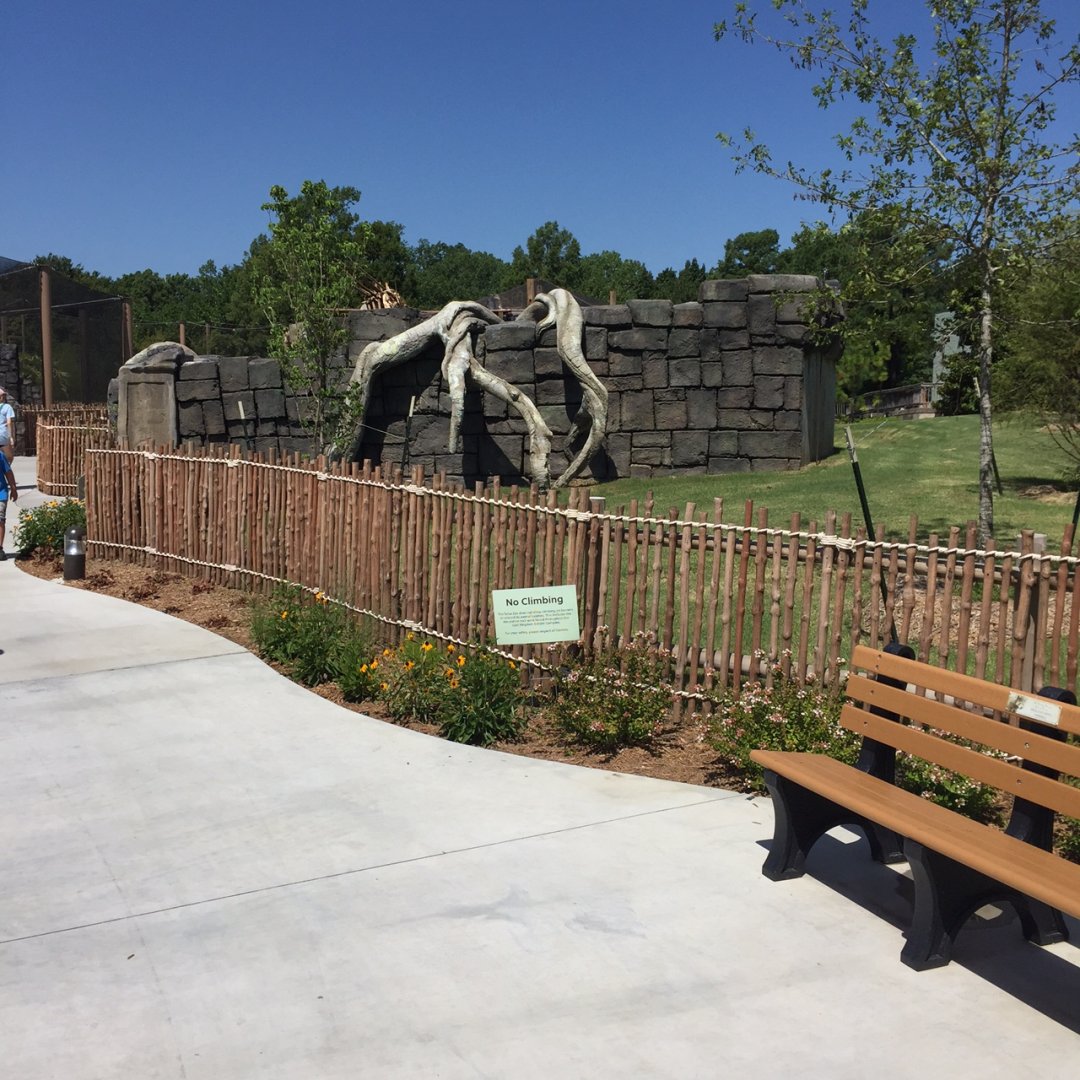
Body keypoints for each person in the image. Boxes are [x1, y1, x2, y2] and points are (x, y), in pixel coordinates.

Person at [0, 452, 16, 560]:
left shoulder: (0, 455)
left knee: (0, 520)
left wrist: (13, 489)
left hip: (0, 493)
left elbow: (8, 472)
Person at [0, 387, 14, 463]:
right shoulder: (7, 407)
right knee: (9, 457)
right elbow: (9, 422)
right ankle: (4, 472)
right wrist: (10, 437)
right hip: (3, 435)